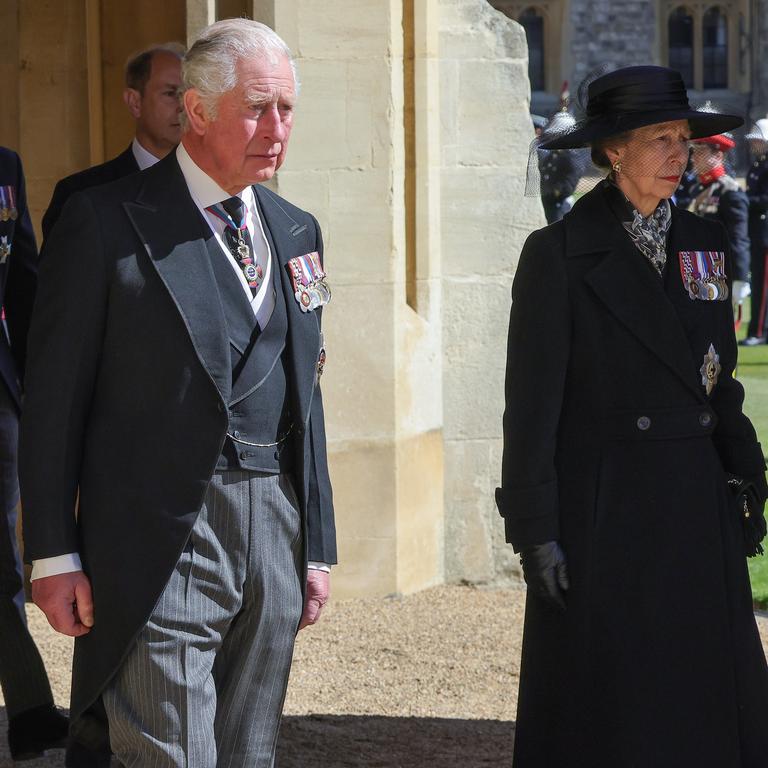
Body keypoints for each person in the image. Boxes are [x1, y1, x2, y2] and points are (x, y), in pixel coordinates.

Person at [20, 18, 336, 768]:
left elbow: (306, 395)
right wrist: (52, 555)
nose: (277, 129)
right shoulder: (104, 222)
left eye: (288, 109)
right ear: (196, 112)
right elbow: (54, 399)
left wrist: (315, 544)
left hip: (274, 532)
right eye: (258, 108)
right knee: (169, 754)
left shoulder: (296, 230)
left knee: (245, 752)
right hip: (157, 533)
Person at [496, 65, 768, 767]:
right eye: (660, 139)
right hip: (605, 517)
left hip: (695, 508)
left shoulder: (703, 242)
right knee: (614, 716)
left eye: (683, 138)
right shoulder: (555, 256)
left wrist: (747, 474)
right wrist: (536, 534)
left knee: (703, 709)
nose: (679, 155)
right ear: (614, 150)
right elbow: (530, 411)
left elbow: (719, 382)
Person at [0, 147, 69, 761]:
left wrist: (36, 393)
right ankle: (29, 709)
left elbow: (24, 285)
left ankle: (29, 710)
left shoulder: (5, 166)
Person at [41, 42, 184, 241]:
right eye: (171, 93)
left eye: (189, 94)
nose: (183, 106)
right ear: (134, 102)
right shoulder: (81, 193)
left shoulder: (213, 186)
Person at [689, 133, 751, 317]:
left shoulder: (729, 191)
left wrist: (740, 277)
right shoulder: (697, 189)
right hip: (697, 268)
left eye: (701, 152)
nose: (694, 158)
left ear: (718, 157)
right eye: (694, 152)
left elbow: (738, 237)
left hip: (719, 271)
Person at [742, 118, 768, 345]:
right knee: (759, 282)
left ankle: (759, 332)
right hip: (756, 231)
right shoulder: (757, 166)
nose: (753, 144)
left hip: (765, 233)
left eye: (757, 140)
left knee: (763, 284)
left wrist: (743, 199)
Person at [536, 110, 583, 223]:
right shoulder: (555, 153)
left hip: (560, 203)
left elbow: (572, 177)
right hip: (548, 200)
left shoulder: (570, 156)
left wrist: (557, 192)